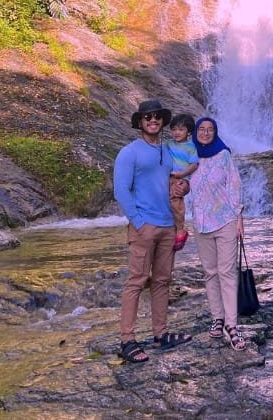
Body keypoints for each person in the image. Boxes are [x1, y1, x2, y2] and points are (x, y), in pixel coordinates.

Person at [113, 98, 192, 363]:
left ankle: (161, 334)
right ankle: (127, 340)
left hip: (168, 225)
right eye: (148, 117)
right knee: (136, 281)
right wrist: (137, 222)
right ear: (140, 122)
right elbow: (121, 191)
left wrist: (186, 188)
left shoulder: (169, 151)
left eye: (157, 116)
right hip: (144, 226)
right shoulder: (130, 152)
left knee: (162, 281)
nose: (153, 120)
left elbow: (176, 182)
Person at [189, 116, 247, 351]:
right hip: (201, 224)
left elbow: (234, 186)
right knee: (210, 273)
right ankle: (217, 318)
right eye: (201, 129)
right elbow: (179, 183)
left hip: (225, 221)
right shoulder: (189, 157)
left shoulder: (223, 155)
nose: (205, 133)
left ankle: (232, 326)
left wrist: (239, 217)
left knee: (227, 272)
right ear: (196, 132)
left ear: (215, 133)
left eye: (209, 130)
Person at [168, 113, 199, 252]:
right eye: (174, 129)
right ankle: (169, 229)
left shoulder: (191, 147)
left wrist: (183, 175)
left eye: (181, 129)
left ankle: (180, 230)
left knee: (176, 200)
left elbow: (194, 165)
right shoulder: (168, 144)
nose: (176, 133)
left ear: (189, 131)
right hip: (166, 176)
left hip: (181, 178)